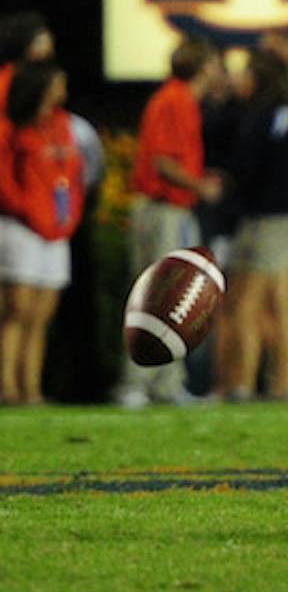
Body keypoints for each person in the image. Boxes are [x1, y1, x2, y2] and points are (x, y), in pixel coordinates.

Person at [118, 39, 225, 409]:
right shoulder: (176, 99)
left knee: (174, 302)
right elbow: (163, 163)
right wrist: (201, 187)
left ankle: (166, 384)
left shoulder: (179, 99)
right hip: (164, 209)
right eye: (213, 63)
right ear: (202, 65)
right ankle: (136, 384)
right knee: (157, 299)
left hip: (171, 209)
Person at [218, 48, 288, 402]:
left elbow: (252, 169)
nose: (240, 79)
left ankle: (248, 384)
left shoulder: (269, 115)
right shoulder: (282, 113)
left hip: (277, 218)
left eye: (246, 73)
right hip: (273, 216)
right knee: (276, 302)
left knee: (251, 302)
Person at [0, 60, 84, 405]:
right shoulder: (12, 128)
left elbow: (74, 177)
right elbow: (4, 179)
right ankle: (8, 387)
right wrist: (28, 210)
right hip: (21, 229)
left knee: (41, 316)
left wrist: (69, 218)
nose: (62, 89)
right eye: (57, 83)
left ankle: (31, 389)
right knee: (17, 310)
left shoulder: (62, 125)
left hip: (57, 230)